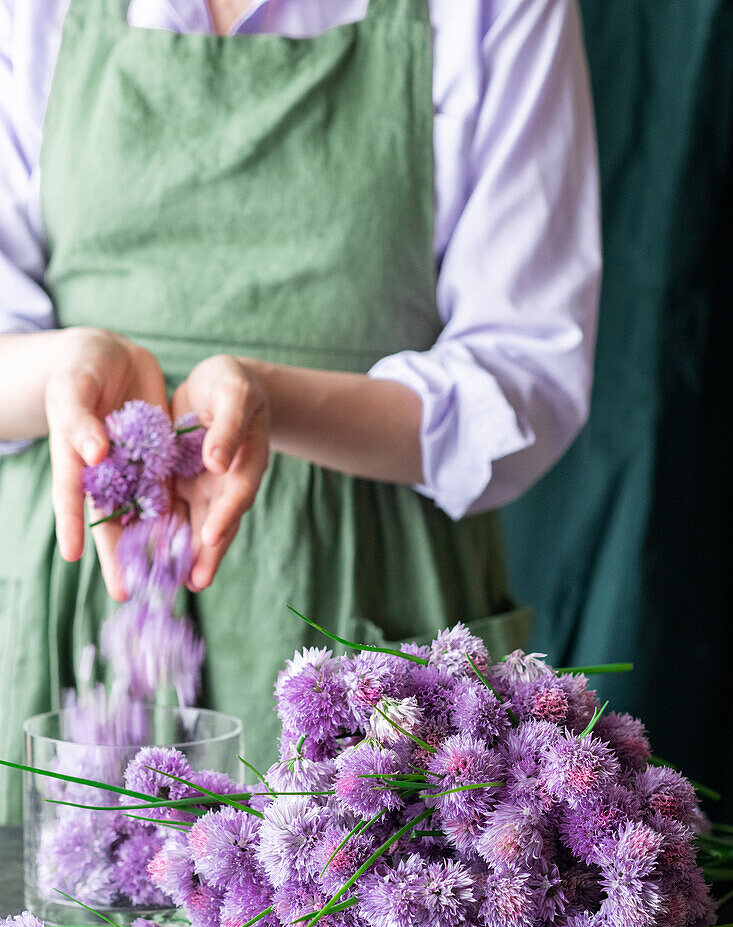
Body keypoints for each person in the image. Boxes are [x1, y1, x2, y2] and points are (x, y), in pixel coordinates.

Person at [0, 0, 601, 820]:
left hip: (367, 592)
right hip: (81, 583)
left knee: (366, 910)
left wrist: (273, 401)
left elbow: (526, 374)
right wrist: (64, 371)